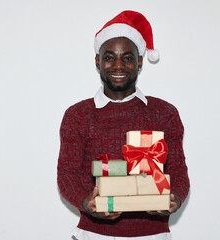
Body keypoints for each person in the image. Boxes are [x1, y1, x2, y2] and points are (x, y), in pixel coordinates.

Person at [57, 10, 190, 240]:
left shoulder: (164, 113)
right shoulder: (78, 115)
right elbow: (67, 174)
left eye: (127, 58)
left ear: (139, 62)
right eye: (109, 57)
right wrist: (86, 202)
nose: (118, 65)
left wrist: (174, 197)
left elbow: (177, 168)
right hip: (93, 234)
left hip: (153, 235)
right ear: (98, 61)